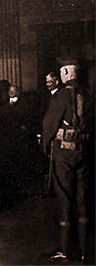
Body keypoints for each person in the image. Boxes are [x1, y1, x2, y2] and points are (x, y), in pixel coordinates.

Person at [42, 58, 94, 262]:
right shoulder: (90, 94)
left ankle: (65, 248)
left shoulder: (61, 96)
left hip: (64, 154)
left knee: (65, 199)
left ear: (64, 73)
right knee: (83, 198)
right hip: (86, 152)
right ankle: (84, 250)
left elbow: (49, 125)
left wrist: (45, 147)